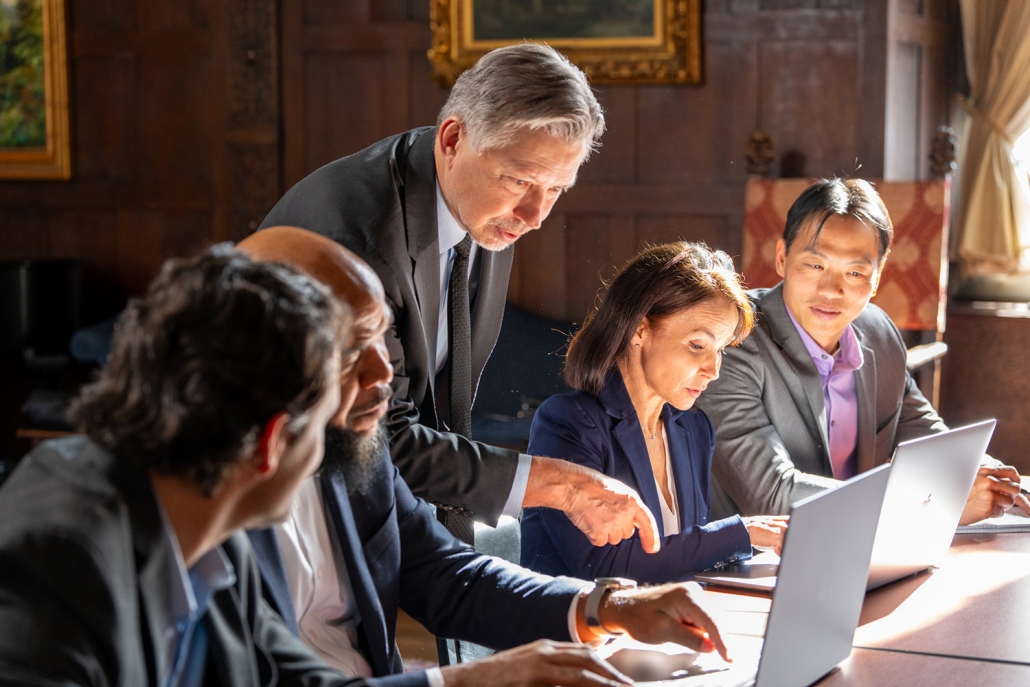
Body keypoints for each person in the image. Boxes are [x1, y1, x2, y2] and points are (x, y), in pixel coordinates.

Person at [239, 227, 732, 687]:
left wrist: (609, 606)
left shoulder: (356, 452)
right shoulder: (199, 504)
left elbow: (448, 576)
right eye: (350, 348)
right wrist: (465, 679)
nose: (382, 373)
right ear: (265, 356)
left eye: (381, 342)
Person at [259, 43, 659, 551]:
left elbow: (441, 408)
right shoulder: (359, 241)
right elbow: (376, 439)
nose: (536, 214)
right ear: (452, 138)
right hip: (278, 519)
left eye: (558, 189)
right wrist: (557, 485)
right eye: (521, 180)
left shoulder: (481, 207)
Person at [0, 246, 363, 685]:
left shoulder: (214, 529)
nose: (323, 449)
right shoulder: (57, 562)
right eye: (322, 426)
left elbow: (296, 679)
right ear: (272, 442)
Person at [696, 178, 1030, 523]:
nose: (831, 290)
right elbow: (770, 495)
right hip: (750, 563)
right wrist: (935, 501)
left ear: (878, 276)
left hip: (866, 548)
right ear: (782, 258)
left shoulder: (877, 331)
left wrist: (984, 472)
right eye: (815, 265)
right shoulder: (734, 338)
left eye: (855, 272)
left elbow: (918, 427)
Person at [519, 243, 788, 584]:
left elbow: (687, 556)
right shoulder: (568, 423)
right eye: (697, 346)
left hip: (662, 627)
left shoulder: (694, 428)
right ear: (639, 330)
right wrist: (742, 533)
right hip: (579, 634)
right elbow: (606, 569)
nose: (713, 369)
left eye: (720, 349)